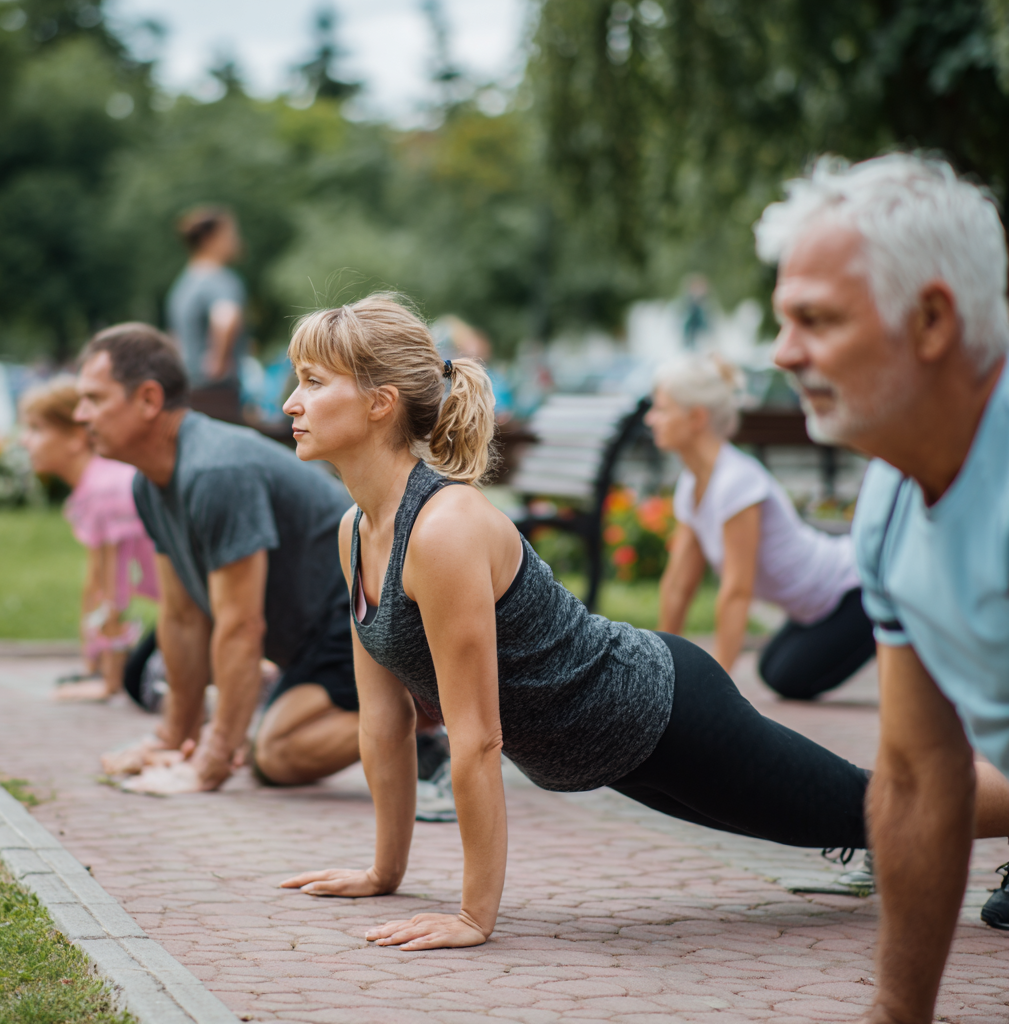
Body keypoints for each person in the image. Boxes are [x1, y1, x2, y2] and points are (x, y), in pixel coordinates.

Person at [273, 295, 1009, 952]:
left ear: (380, 403)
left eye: (312, 381)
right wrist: (383, 871)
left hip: (664, 709)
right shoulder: (356, 531)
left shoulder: (443, 529)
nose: (290, 403)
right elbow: (382, 722)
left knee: (874, 808)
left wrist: (474, 916)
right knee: (860, 818)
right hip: (615, 755)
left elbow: (477, 739)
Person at [759, 153, 1009, 1022]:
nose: (783, 351)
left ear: (932, 318)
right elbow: (913, 774)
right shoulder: (893, 492)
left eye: (815, 320)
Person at [73, 323, 360, 794]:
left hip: (360, 625)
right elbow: (183, 617)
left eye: (94, 399)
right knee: (273, 745)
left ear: (148, 400)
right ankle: (413, 719)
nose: (80, 415)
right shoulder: (150, 484)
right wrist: (174, 737)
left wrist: (215, 755)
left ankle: (433, 715)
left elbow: (241, 625)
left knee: (276, 754)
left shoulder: (215, 471)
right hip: (313, 645)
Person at [647, 354, 874, 697]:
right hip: (813, 608)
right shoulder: (691, 486)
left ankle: (905, 616)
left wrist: (713, 693)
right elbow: (679, 584)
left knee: (788, 678)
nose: (651, 419)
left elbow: (737, 591)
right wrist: (656, 675)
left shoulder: (736, 482)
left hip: (855, 589)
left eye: (661, 409)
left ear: (696, 417)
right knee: (772, 671)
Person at [19, 376, 158, 701]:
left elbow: (114, 587)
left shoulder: (105, 489)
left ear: (76, 438)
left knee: (139, 681)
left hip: (194, 604)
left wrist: (107, 683)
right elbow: (98, 580)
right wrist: (90, 659)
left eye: (37, 429)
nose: (25, 441)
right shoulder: (101, 481)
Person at [166, 206, 247, 424]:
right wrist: (218, 366)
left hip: (191, 389)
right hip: (218, 391)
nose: (236, 241)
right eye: (230, 235)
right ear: (209, 239)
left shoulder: (183, 284)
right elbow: (226, 318)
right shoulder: (219, 279)